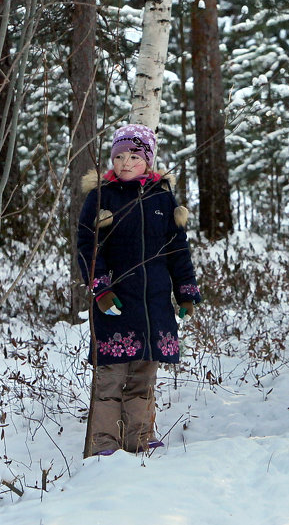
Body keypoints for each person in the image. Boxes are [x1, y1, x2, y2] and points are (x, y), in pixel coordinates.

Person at [76, 123, 203, 456]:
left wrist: (186, 292)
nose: (125, 163)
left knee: (143, 378)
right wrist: (101, 289)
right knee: (110, 380)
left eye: (134, 156)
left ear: (148, 159)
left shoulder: (161, 197)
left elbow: (178, 247)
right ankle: (103, 444)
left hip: (154, 305)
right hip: (117, 303)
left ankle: (139, 438)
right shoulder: (100, 197)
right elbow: (87, 246)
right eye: (119, 156)